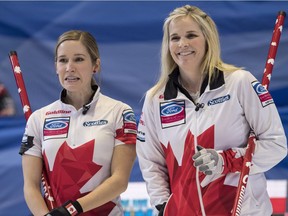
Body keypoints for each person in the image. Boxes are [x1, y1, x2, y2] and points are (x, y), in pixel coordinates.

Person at [136, 5, 287, 216]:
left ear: (208, 39)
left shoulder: (239, 83)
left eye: (191, 35)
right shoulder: (156, 99)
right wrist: (163, 206)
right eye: (175, 38)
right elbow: (151, 162)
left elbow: (276, 145)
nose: (182, 44)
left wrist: (226, 161)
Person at [19, 30, 137, 216]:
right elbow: (30, 186)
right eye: (63, 60)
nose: (70, 67)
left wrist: (70, 210)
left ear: (95, 65)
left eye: (79, 59)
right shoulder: (39, 118)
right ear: (56, 67)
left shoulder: (119, 111)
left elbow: (119, 181)